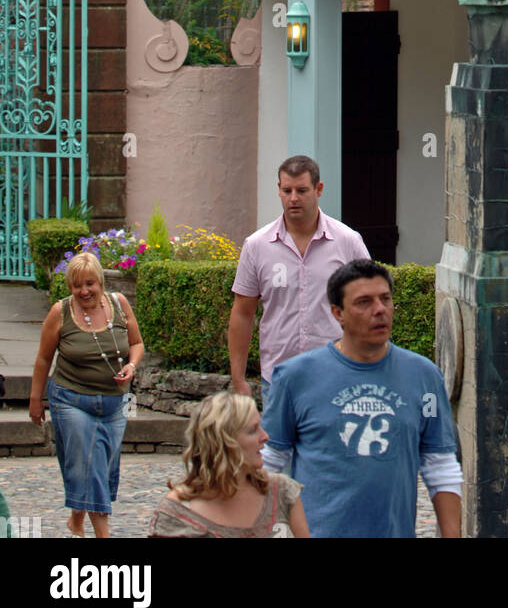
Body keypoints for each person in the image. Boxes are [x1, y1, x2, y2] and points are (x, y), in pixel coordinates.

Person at [262, 260, 462, 538]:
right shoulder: (294, 378)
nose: (379, 310)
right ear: (338, 313)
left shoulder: (425, 379)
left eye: (385, 299)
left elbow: (440, 462)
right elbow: (269, 460)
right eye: (364, 302)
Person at [229, 155, 369, 399]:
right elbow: (242, 312)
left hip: (337, 377)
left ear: (319, 189)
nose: (294, 198)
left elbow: (370, 304)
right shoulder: (256, 246)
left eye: (302, 190)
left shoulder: (348, 242)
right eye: (287, 190)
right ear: (279, 191)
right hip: (279, 380)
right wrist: (238, 378)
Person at [29, 252, 143, 538]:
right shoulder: (60, 312)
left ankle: (76, 519)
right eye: (77, 285)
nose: (84, 291)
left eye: (90, 283)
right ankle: (103, 535)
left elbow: (137, 343)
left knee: (99, 467)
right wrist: (35, 399)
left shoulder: (119, 304)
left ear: (101, 282)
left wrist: (131, 365)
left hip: (116, 402)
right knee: (90, 464)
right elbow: (44, 359)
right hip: (71, 399)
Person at [147, 392, 308, 538]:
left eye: (261, 426)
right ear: (222, 442)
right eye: (253, 430)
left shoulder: (282, 491)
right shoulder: (177, 513)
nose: (265, 436)